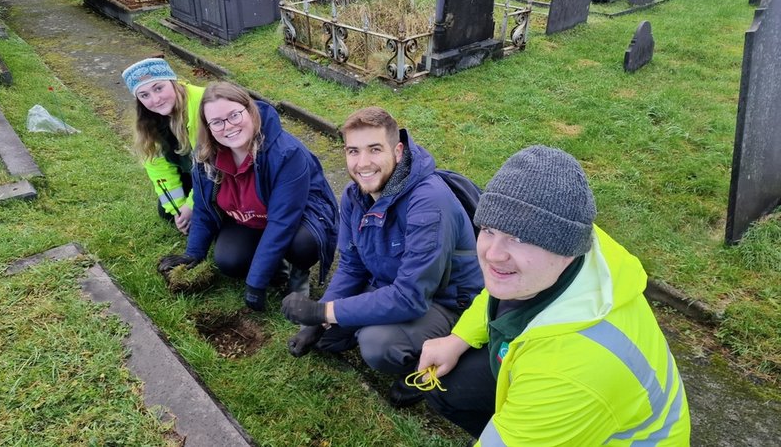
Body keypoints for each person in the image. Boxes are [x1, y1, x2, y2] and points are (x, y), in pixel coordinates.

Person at [416, 146, 691, 445]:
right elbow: (496, 291)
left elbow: (566, 373)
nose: (493, 254)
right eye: (489, 229)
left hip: (585, 401)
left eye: (519, 238)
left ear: (565, 251)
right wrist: (458, 340)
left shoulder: (573, 369)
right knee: (446, 388)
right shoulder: (570, 255)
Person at [280, 106, 484, 407]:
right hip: (390, 284)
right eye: (353, 151)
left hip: (444, 301)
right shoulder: (354, 195)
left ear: (398, 151)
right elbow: (351, 266)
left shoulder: (429, 203)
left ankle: (425, 364)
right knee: (326, 337)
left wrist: (322, 312)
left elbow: (411, 297)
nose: (363, 163)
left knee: (378, 345)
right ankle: (369, 324)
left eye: (374, 150)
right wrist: (319, 321)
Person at [158, 82, 339, 311]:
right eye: (217, 122)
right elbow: (203, 207)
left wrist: (255, 283)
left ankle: (298, 275)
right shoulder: (205, 155)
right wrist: (193, 252)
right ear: (208, 127)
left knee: (303, 244)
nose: (228, 127)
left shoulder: (286, 154)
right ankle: (275, 267)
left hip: (299, 216)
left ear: (250, 110)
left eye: (234, 115)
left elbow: (282, 222)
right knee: (229, 262)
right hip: (248, 216)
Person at [122, 57, 204, 235]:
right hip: (192, 172)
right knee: (166, 211)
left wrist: (191, 206)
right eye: (144, 95)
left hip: (220, 176)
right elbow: (157, 166)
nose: (156, 100)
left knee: (204, 216)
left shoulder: (203, 105)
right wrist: (178, 209)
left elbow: (211, 166)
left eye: (158, 88)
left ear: (172, 82)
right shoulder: (148, 120)